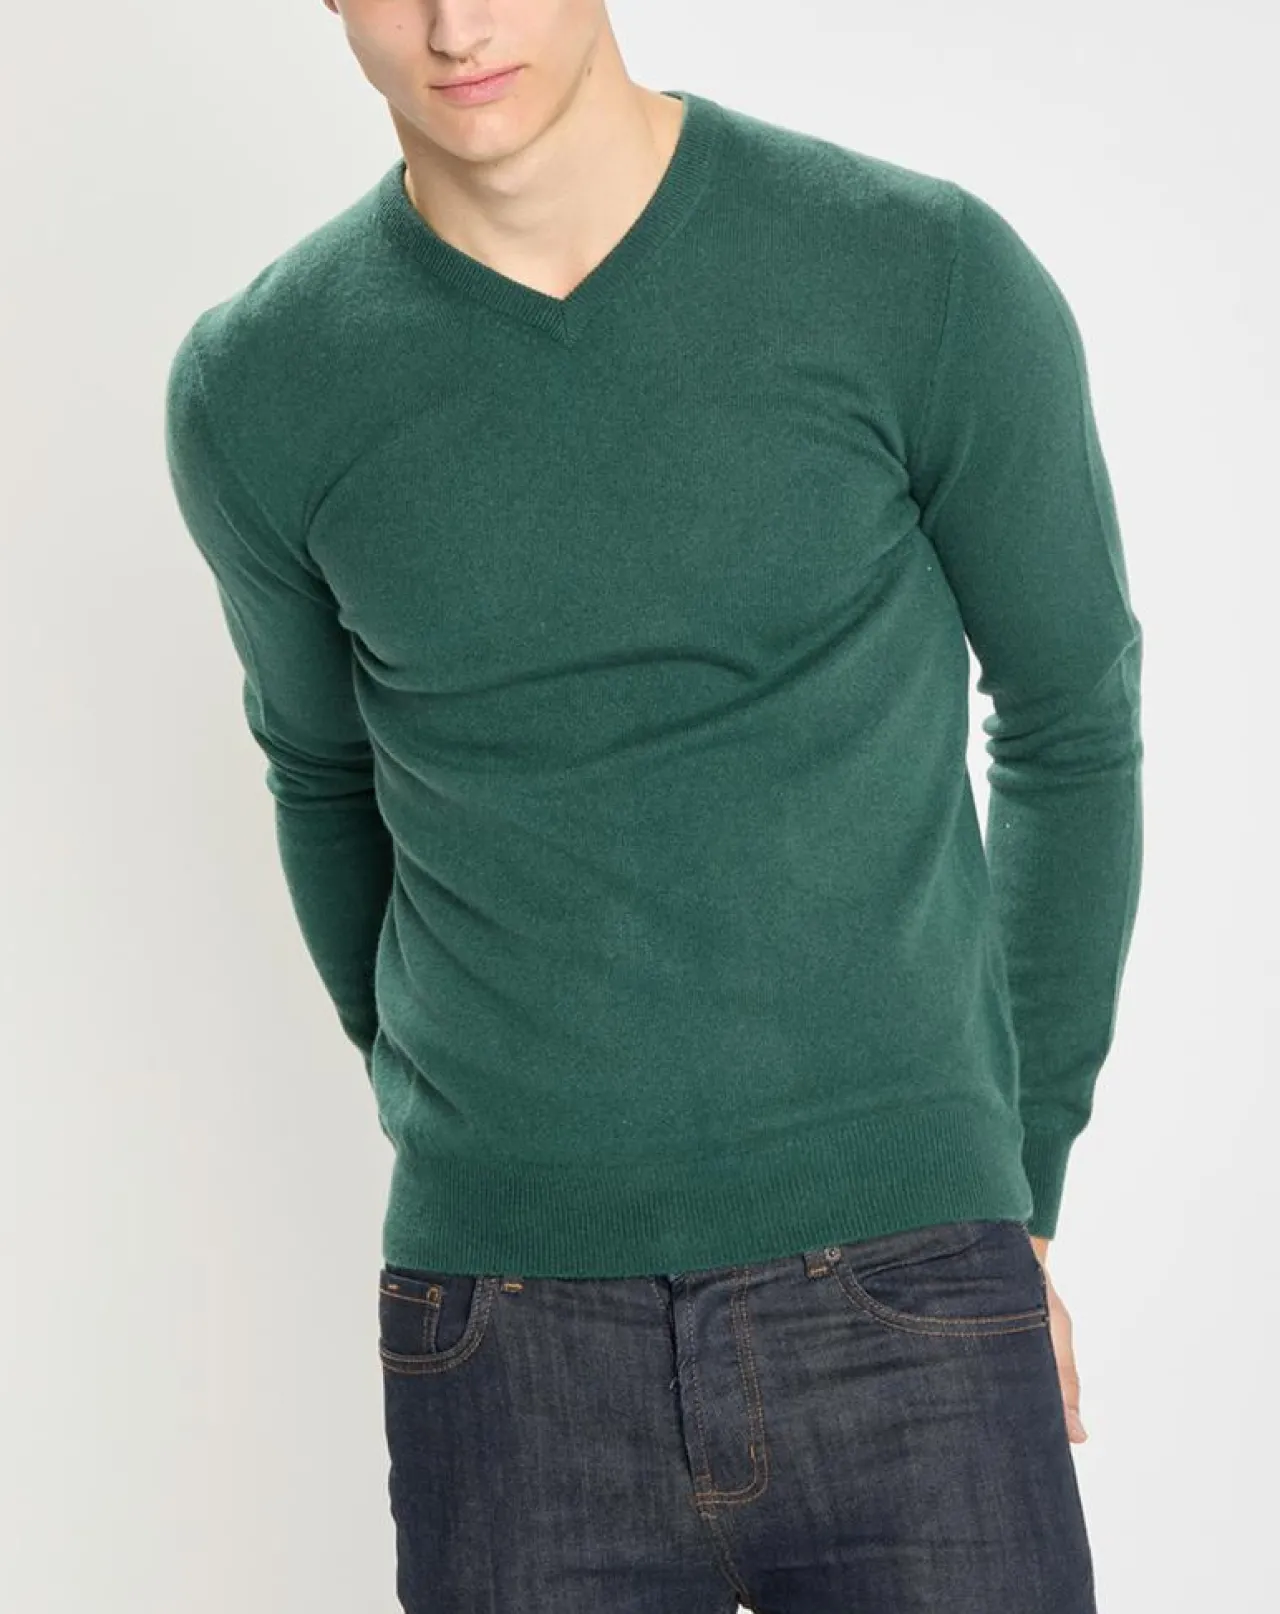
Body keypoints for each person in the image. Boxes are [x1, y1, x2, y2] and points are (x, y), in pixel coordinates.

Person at [162, 3, 1144, 1609]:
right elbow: (323, 772)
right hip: (503, 1327)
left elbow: (1072, 718)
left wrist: (1012, 1176)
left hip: (909, 1282)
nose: (455, 24)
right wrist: (451, 1109)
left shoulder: (920, 274)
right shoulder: (259, 386)